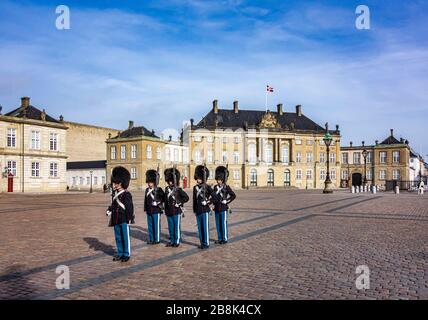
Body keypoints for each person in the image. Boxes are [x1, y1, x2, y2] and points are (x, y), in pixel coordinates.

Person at [106, 166, 135, 262]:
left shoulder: (126, 194)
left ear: (121, 183)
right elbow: (113, 204)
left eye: (116, 183)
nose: (114, 184)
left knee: (125, 237)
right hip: (116, 218)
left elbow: (129, 208)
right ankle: (120, 253)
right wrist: (110, 210)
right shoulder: (115, 194)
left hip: (124, 219)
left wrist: (129, 218)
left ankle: (126, 254)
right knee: (118, 237)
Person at [164, 168, 189, 247]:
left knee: (176, 227)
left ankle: (176, 241)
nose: (170, 182)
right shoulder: (167, 189)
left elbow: (186, 198)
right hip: (169, 211)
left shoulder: (178, 189)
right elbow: (165, 199)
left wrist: (179, 203)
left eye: (171, 181)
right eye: (169, 181)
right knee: (171, 227)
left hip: (176, 211)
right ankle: (172, 240)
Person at [212, 166, 236, 245]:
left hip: (223, 208)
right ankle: (219, 238)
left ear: (222, 179)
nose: (218, 181)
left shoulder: (226, 187)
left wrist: (227, 201)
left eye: (220, 180)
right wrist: (212, 205)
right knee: (218, 224)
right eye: (218, 180)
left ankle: (224, 238)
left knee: (223, 224)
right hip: (217, 208)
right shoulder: (215, 187)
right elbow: (214, 197)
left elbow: (233, 196)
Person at [193, 165, 213, 249]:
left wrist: (207, 202)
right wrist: (194, 209)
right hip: (198, 210)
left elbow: (215, 197)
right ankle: (202, 243)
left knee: (205, 227)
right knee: (200, 228)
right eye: (197, 178)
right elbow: (194, 199)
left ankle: (206, 243)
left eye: (199, 178)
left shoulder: (207, 187)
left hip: (205, 210)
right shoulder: (195, 188)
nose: (198, 179)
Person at [144, 169, 164, 245]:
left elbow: (163, 198)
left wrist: (158, 202)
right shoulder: (147, 190)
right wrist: (145, 209)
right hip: (149, 210)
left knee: (156, 226)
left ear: (154, 182)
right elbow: (145, 200)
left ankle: (157, 239)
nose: (149, 184)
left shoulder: (158, 189)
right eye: (148, 182)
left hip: (156, 210)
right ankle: (152, 239)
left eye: (151, 182)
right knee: (150, 226)